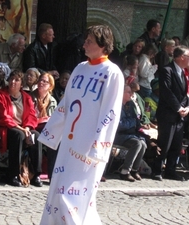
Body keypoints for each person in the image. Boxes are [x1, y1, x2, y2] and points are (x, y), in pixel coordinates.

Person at [38, 25, 124, 225]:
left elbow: (111, 113)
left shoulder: (112, 73)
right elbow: (66, 103)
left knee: (76, 196)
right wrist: (51, 133)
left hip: (89, 146)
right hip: (69, 142)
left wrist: (99, 145)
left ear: (103, 45)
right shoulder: (79, 68)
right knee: (58, 189)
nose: (84, 44)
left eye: (90, 41)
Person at [0, 70, 43, 187]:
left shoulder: (26, 97)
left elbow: (32, 115)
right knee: (18, 135)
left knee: (36, 136)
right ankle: (13, 174)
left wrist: (26, 128)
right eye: (11, 79)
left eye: (16, 80)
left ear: (21, 84)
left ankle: (36, 174)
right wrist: (22, 130)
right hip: (8, 128)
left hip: (24, 127)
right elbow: (4, 116)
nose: (13, 82)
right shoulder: (1, 95)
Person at [152, 46, 189, 181]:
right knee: (164, 143)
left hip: (180, 116)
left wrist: (188, 107)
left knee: (176, 145)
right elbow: (167, 92)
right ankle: (157, 170)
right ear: (181, 57)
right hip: (168, 114)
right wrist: (178, 108)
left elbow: (187, 93)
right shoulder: (167, 70)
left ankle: (171, 170)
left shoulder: (184, 73)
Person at [114, 85, 147, 182]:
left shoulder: (131, 105)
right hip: (118, 135)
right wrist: (132, 122)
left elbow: (136, 120)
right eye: (128, 92)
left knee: (143, 143)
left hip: (130, 133)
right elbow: (119, 125)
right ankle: (124, 171)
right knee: (136, 143)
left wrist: (140, 126)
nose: (131, 94)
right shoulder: (116, 105)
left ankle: (134, 170)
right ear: (122, 93)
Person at [30, 72, 57, 180]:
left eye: (45, 81)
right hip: (32, 127)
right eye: (40, 80)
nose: (41, 83)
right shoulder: (30, 97)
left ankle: (52, 174)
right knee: (37, 137)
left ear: (50, 86)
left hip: (46, 128)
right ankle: (37, 173)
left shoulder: (52, 101)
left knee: (55, 138)